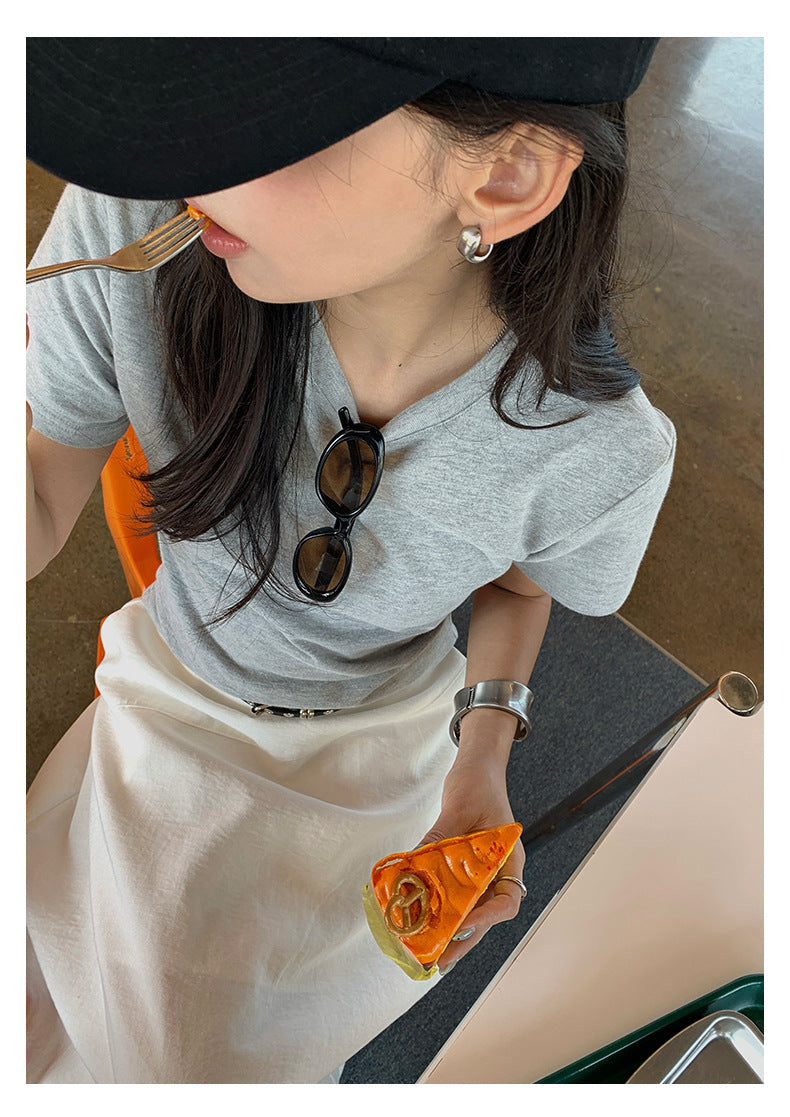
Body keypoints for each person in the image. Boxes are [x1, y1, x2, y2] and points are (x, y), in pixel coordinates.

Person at [26, 38, 673, 1083]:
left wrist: (483, 757)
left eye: (256, 109)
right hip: (163, 707)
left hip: (379, 759)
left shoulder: (594, 450)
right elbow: (43, 486)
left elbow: (518, 585)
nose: (169, 153)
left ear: (506, 173)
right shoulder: (132, 222)